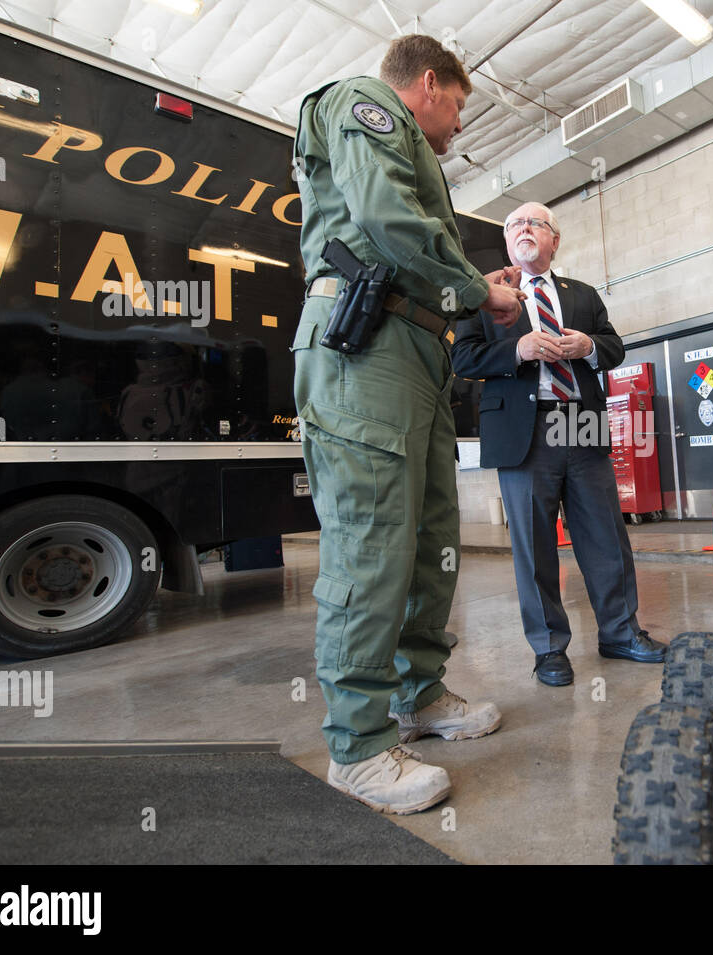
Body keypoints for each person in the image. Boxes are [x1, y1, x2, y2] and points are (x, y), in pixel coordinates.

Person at [291, 35, 526, 814]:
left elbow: (403, 240)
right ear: (428, 83)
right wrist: (474, 288)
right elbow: (384, 217)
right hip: (368, 349)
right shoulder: (365, 102)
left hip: (416, 346)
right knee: (370, 545)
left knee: (428, 540)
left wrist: (459, 291)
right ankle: (356, 749)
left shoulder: (406, 138)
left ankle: (417, 696)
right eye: (457, 106)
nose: (458, 126)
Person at [451, 201, 666, 687]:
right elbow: (462, 358)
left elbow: (615, 346)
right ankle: (549, 648)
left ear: (554, 240)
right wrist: (518, 349)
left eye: (534, 223)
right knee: (535, 544)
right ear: (508, 242)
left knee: (606, 537)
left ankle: (620, 633)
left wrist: (588, 346)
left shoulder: (584, 295)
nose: (523, 229)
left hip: (580, 423)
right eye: (514, 225)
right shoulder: (483, 297)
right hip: (524, 431)